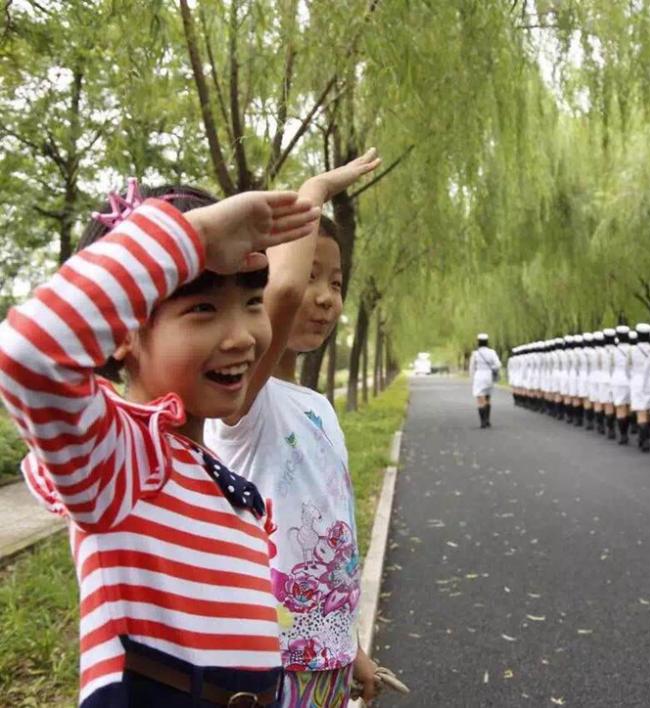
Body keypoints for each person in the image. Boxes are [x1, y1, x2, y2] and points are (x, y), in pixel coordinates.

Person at [0, 182, 321, 706]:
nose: (242, 335)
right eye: (202, 308)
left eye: (251, 302)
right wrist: (191, 237)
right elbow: (30, 356)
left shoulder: (221, 480)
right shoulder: (120, 461)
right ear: (122, 333)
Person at [202, 149, 382, 708]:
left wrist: (349, 646)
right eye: (309, 277)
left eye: (336, 280)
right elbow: (279, 298)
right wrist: (315, 189)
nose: (327, 297)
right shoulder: (245, 402)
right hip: (270, 664)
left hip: (324, 658)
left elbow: (331, 543)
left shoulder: (317, 406)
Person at [630, 323, 650, 452]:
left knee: (641, 411)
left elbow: (628, 367)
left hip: (637, 381)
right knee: (649, 409)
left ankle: (643, 440)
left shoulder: (632, 350)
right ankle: (648, 434)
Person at [469, 333, 502, 428]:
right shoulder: (492, 352)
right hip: (489, 375)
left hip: (479, 375)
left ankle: (483, 421)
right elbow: (498, 365)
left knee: (480, 398)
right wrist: (492, 368)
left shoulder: (475, 353)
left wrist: (472, 378)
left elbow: (472, 368)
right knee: (488, 397)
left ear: (478, 342)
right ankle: (487, 420)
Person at [611, 325, 632, 445]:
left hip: (618, 379)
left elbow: (611, 367)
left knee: (620, 407)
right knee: (629, 406)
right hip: (630, 380)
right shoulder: (633, 349)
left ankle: (623, 435)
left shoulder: (614, 351)